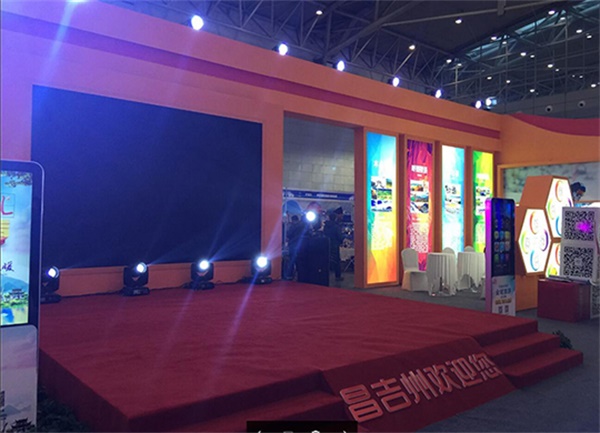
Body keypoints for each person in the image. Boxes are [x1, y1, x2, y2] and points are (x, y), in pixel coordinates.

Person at [323, 207, 345, 281]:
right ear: (335, 218)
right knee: (336, 261)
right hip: (335, 245)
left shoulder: (325, 226)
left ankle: (325, 275)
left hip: (326, 244)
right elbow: (339, 236)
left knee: (326, 260)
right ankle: (337, 276)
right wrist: (342, 240)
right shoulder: (336, 226)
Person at [284, 214, 303, 280]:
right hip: (301, 245)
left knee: (292, 260)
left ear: (293, 220)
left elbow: (289, 234)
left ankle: (290, 275)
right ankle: (300, 274)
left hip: (293, 244)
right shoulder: (302, 226)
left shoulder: (293, 226)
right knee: (299, 261)